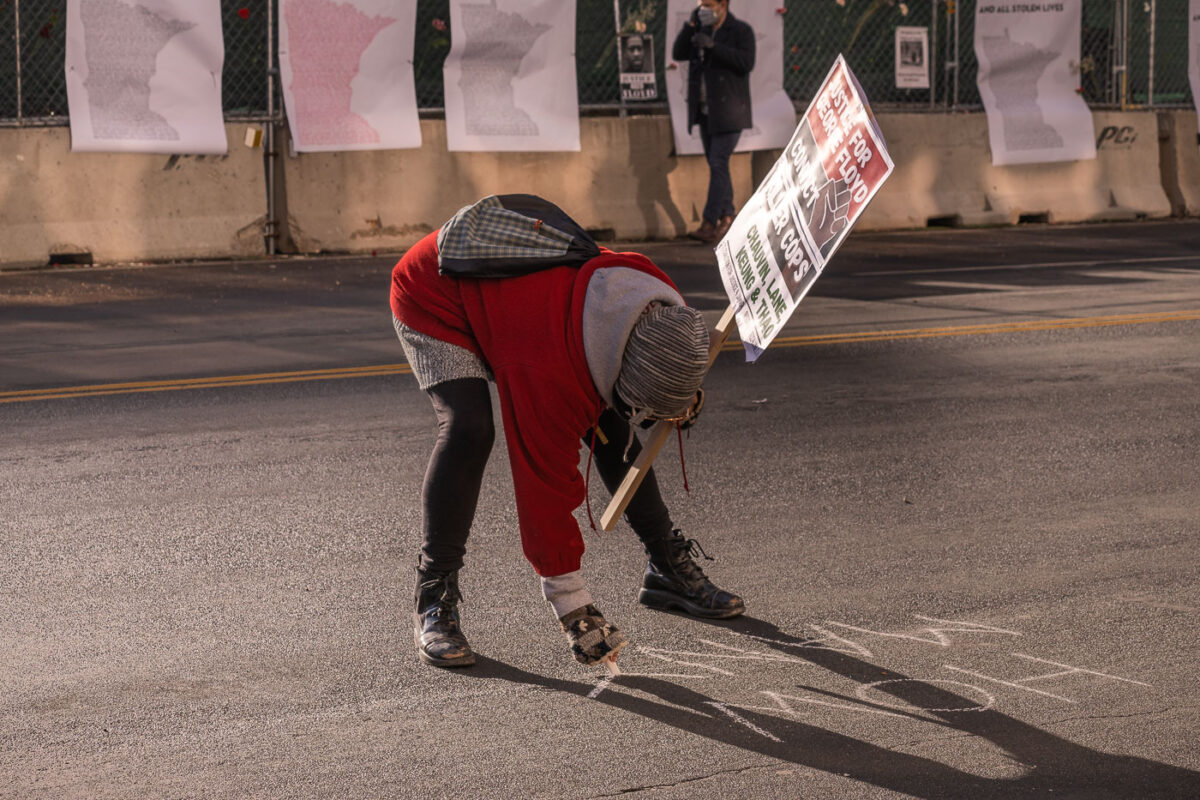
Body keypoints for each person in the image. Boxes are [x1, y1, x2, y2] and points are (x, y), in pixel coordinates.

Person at [390, 195, 745, 670]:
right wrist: (572, 605)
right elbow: (544, 488)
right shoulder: (547, 373)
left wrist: (680, 398)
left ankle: (666, 568)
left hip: (524, 304)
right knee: (469, 429)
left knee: (610, 422)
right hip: (436, 293)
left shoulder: (652, 296)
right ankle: (433, 597)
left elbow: (661, 369)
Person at [672, 0, 755, 244]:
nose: (704, 8)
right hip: (707, 111)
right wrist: (691, 25)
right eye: (701, 4)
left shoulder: (741, 31)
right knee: (716, 163)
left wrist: (714, 47)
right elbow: (678, 53)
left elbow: (746, 63)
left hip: (730, 111)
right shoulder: (701, 29)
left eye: (708, 4)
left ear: (722, 5)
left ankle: (710, 222)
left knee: (718, 161)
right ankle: (728, 216)